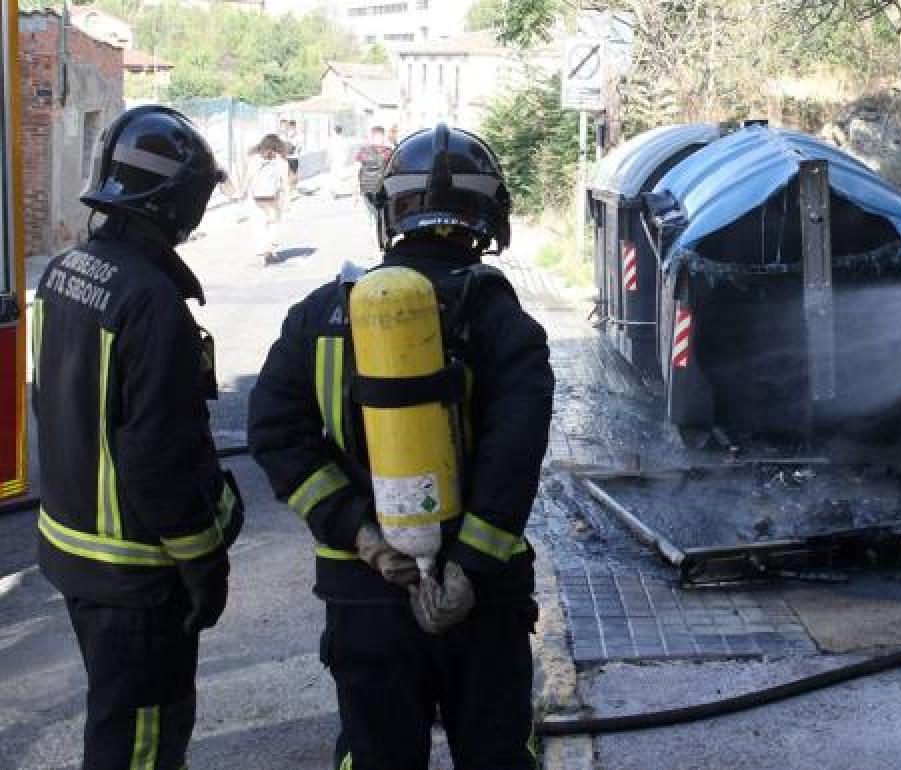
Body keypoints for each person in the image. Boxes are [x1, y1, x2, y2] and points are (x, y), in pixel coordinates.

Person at [248, 124, 553, 769]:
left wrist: (361, 535)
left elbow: (276, 435)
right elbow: (513, 462)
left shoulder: (321, 315)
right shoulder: (506, 326)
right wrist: (468, 568)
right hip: (482, 600)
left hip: (366, 595)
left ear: (390, 213)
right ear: (489, 217)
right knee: (497, 755)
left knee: (376, 756)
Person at [31, 105, 244, 768]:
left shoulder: (64, 271)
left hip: (76, 559)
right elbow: (160, 461)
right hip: (138, 579)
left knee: (115, 724)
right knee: (141, 748)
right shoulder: (151, 302)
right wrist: (205, 565)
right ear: (180, 204)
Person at [246, 134, 289, 265]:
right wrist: (288, 199)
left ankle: (261, 252)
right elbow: (285, 182)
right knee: (273, 223)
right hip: (274, 197)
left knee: (259, 224)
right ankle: (270, 247)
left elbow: (249, 177)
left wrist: (241, 192)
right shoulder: (281, 161)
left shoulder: (254, 159)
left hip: (256, 197)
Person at [356, 125, 393, 218]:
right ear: (383, 137)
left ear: (371, 137)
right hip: (382, 188)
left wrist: (356, 190)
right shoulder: (388, 152)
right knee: (382, 214)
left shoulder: (363, 151)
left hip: (366, 188)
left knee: (374, 213)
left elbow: (358, 169)